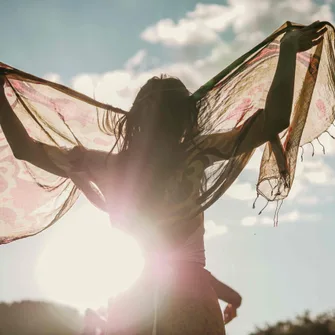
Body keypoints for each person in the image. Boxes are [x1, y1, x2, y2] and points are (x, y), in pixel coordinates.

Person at [0, 21, 328, 334]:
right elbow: (273, 121)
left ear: (136, 119)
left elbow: (26, 149)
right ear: (186, 119)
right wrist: (286, 52)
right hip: (182, 300)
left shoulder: (110, 165)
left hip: (136, 300)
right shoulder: (198, 154)